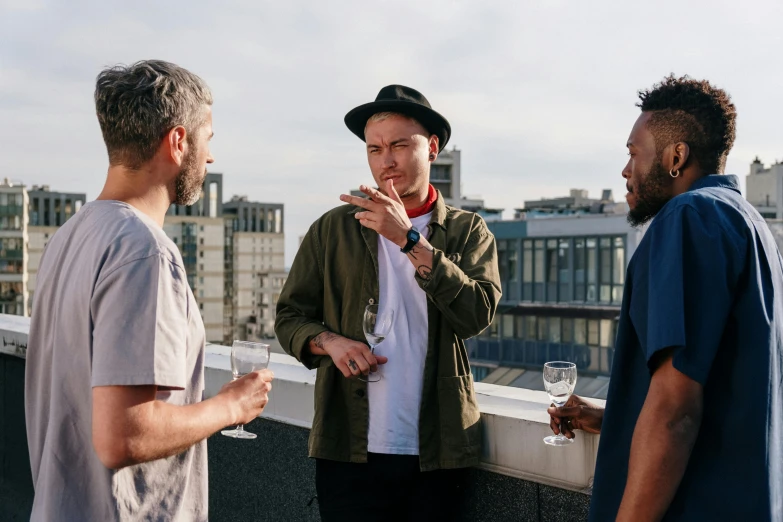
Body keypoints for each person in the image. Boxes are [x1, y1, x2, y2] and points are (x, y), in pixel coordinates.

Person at [24, 60, 274, 522]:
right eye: (208, 140)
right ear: (179, 142)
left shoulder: (72, 233)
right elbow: (124, 436)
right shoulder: (144, 251)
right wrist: (231, 405)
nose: (211, 157)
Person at [548, 75, 782, 521]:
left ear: (676, 156)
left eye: (634, 152)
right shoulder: (751, 224)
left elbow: (676, 412)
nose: (625, 169)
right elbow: (724, 381)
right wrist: (612, 415)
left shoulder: (689, 216)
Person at [275, 84, 501, 521]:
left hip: (440, 448)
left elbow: (476, 314)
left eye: (399, 145)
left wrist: (409, 239)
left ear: (432, 148)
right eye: (375, 148)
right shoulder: (332, 229)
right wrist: (330, 342)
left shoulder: (468, 231)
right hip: (349, 448)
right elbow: (289, 317)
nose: (387, 160)